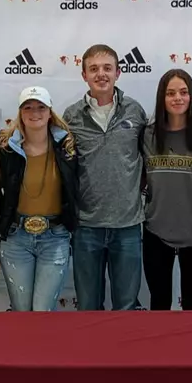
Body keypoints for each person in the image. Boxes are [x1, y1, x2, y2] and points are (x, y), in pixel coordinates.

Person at [62, 44, 148, 311]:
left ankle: (125, 354)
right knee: (88, 306)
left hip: (128, 226)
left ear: (118, 73)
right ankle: (90, 353)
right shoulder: (71, 116)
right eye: (94, 69)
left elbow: (146, 162)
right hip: (87, 226)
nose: (101, 74)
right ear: (84, 75)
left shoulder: (135, 111)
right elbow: (67, 168)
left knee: (126, 305)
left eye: (107, 68)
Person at [142, 69, 192, 311]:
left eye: (184, 92)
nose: (178, 98)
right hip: (156, 230)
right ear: (162, 98)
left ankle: (191, 350)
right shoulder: (148, 135)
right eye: (171, 93)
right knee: (159, 302)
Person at [0, 86, 79, 312]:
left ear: (50, 112)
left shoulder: (67, 148)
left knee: (42, 312)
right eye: (28, 107)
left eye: (41, 107)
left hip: (55, 238)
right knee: (22, 311)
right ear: (20, 113)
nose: (35, 112)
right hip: (16, 239)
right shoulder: (6, 149)